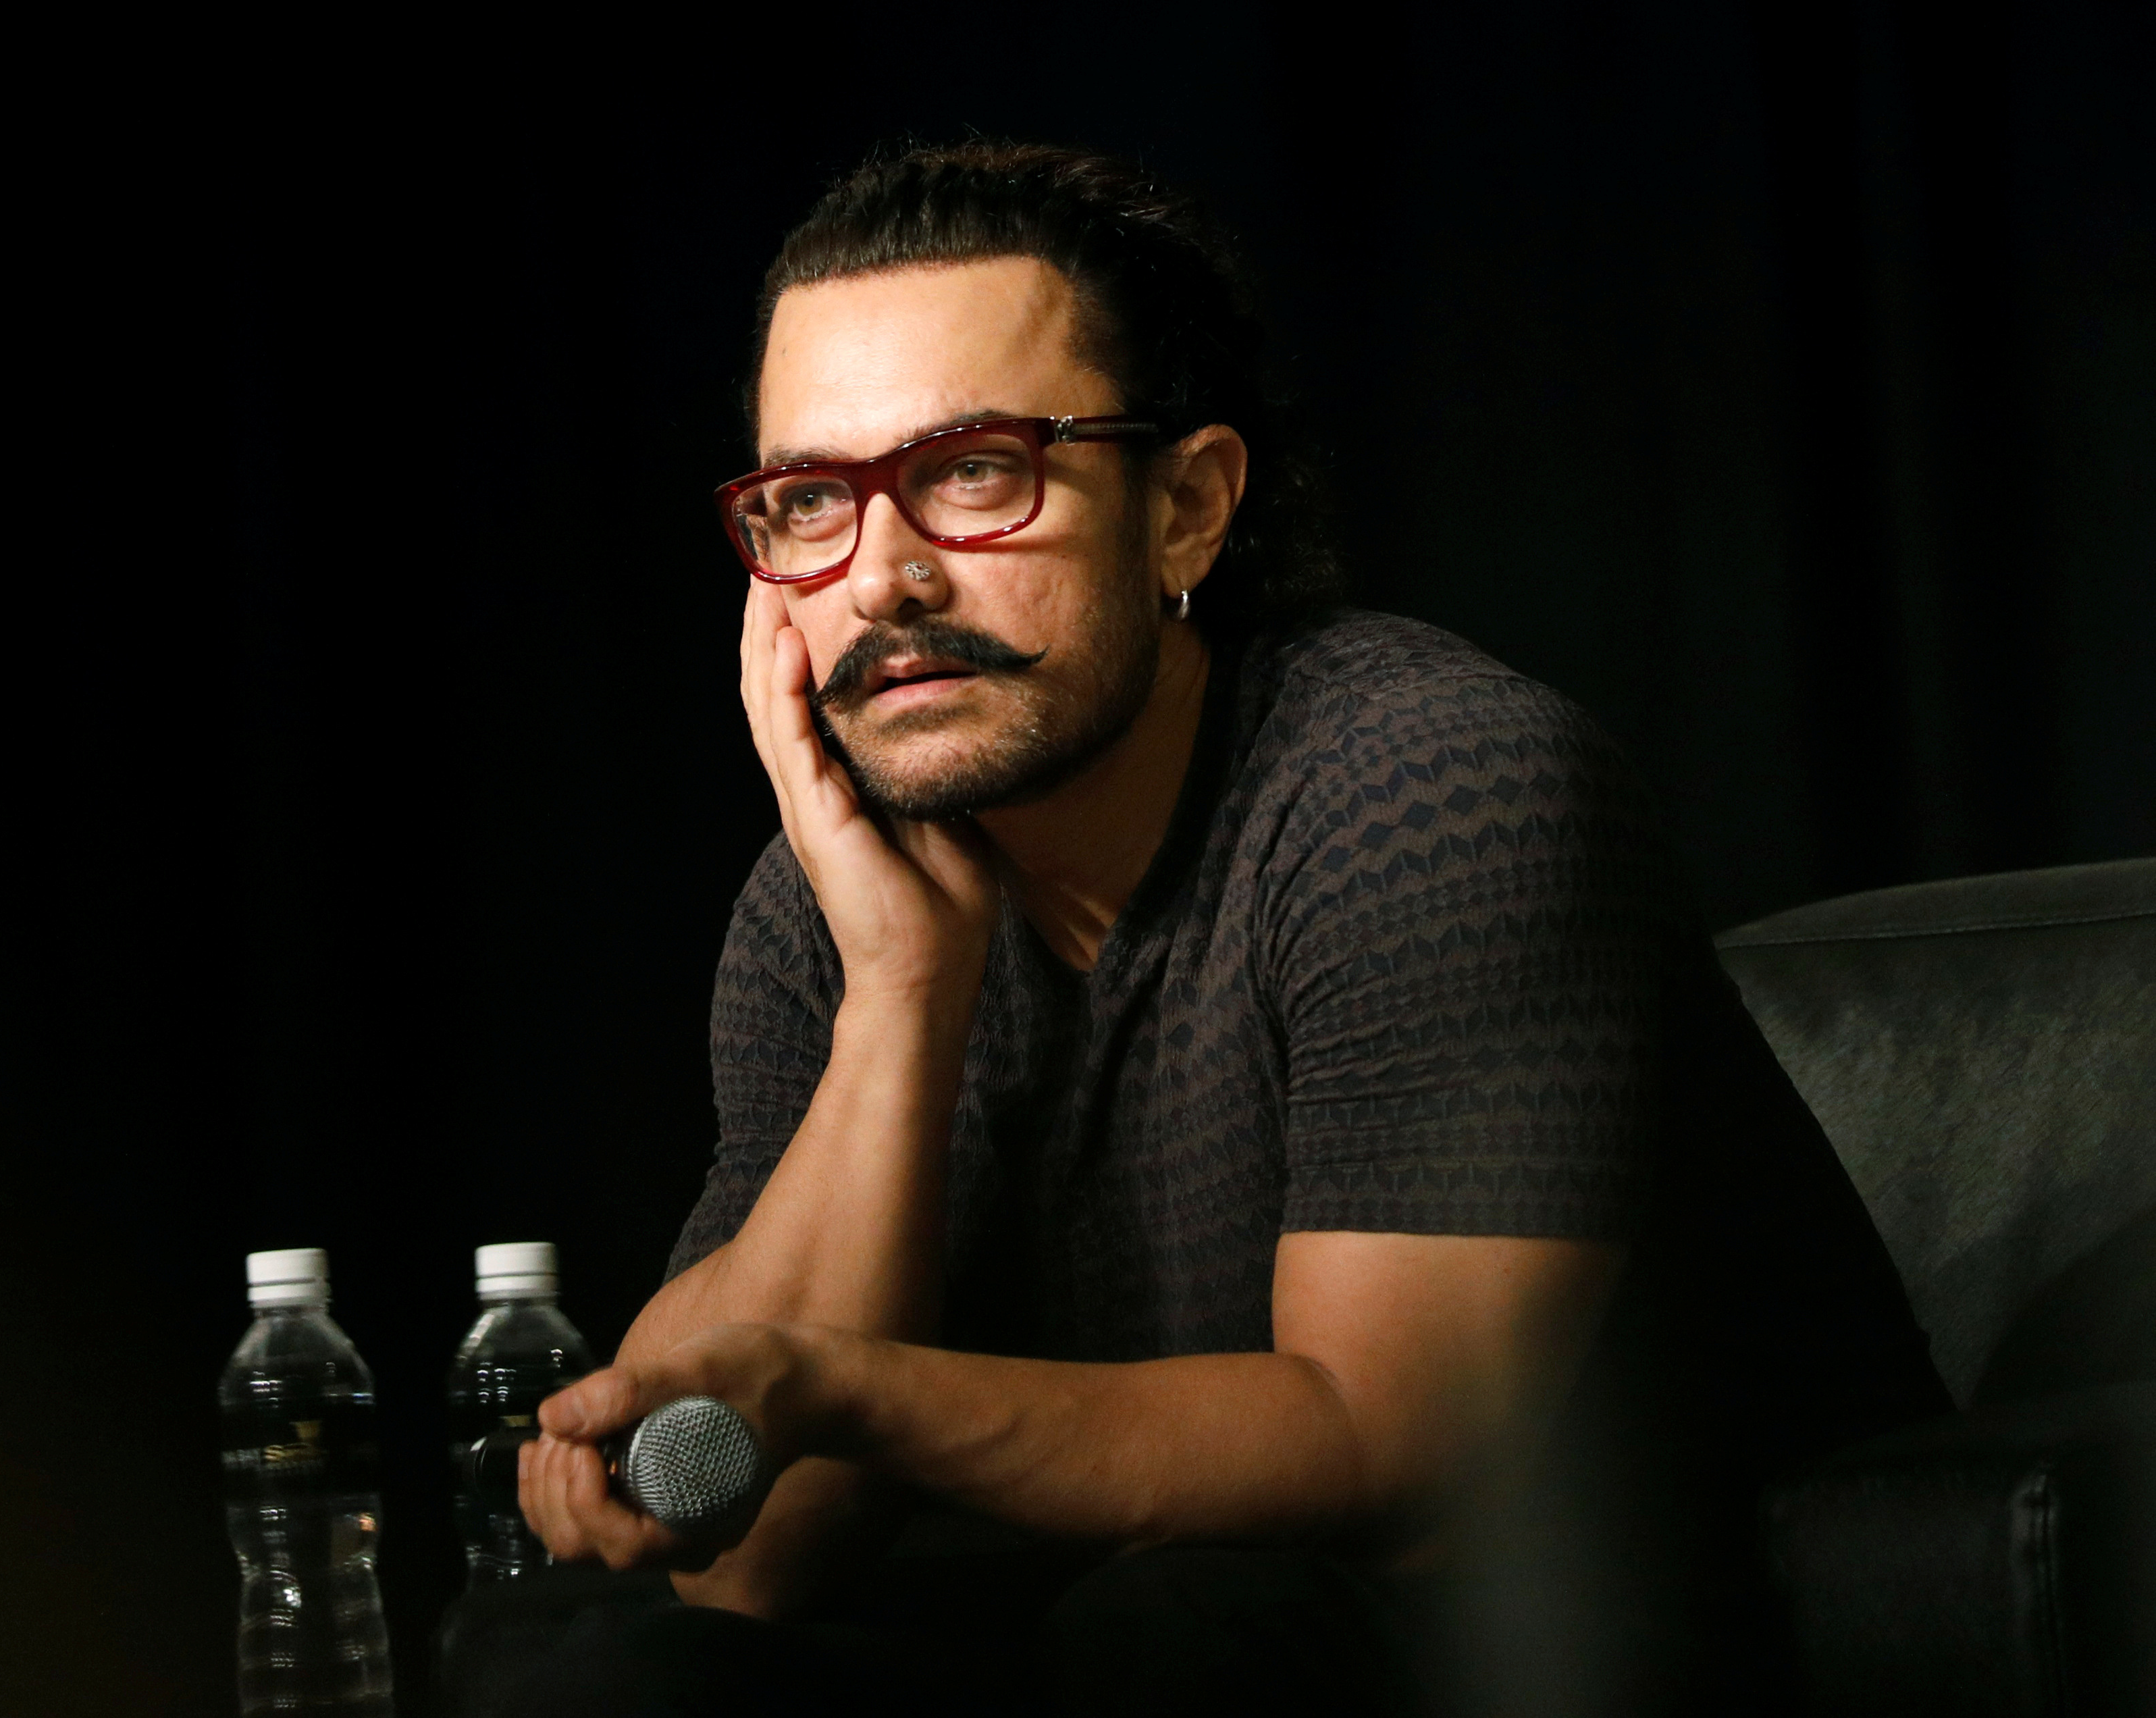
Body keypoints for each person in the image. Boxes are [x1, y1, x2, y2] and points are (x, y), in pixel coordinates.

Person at [465, 142, 1948, 1717]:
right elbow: (751, 1566)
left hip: (1567, 1631)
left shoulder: (1425, 788)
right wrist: (901, 994)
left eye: (972, 472)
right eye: (811, 503)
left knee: (1182, 1630)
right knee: (571, 1659)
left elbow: (1378, 1447)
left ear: (1185, 510)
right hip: (1117, 1624)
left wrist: (835, 1392)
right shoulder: (833, 904)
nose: (883, 578)